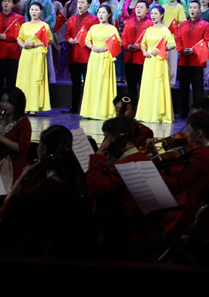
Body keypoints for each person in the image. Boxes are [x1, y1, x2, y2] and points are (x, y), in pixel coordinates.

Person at [0, 125, 81, 254]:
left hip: (33, 251)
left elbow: (6, 210)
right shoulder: (75, 181)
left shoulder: (47, 187)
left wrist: (23, 178)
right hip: (60, 250)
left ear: (44, 149)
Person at [86, 116, 152, 258]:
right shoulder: (144, 158)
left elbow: (95, 189)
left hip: (116, 234)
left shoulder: (123, 165)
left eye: (106, 138)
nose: (104, 143)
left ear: (119, 139)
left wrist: (98, 157)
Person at [158, 112, 209, 237]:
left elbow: (179, 184)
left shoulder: (200, 155)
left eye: (189, 131)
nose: (186, 135)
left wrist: (155, 175)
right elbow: (191, 172)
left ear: (199, 133)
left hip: (186, 211)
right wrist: (167, 170)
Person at [79, 5, 120, 120]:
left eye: (103, 12)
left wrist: (105, 48)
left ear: (109, 14)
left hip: (105, 57)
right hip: (94, 57)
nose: (101, 15)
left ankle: (103, 111)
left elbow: (117, 43)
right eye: (99, 12)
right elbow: (87, 40)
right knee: (93, 82)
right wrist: (92, 47)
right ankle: (90, 111)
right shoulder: (94, 27)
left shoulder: (112, 29)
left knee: (103, 83)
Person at [176, 0, 209, 118]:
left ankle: (198, 112)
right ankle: (183, 112)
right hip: (184, 60)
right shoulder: (182, 25)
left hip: (197, 61)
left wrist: (194, 51)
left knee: (198, 89)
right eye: (190, 8)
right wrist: (182, 50)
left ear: (199, 10)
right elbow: (178, 40)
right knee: (183, 89)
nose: (192, 10)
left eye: (195, 8)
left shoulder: (205, 25)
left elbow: (207, 41)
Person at [63, 0, 98, 113]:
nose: (80, 4)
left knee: (89, 83)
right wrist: (69, 40)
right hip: (73, 55)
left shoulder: (93, 19)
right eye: (78, 2)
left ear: (88, 5)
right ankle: (74, 107)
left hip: (86, 54)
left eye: (83, 2)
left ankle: (89, 108)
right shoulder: (72, 18)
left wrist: (82, 41)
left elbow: (94, 36)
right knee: (75, 83)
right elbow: (67, 33)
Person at [16, 2, 53, 114]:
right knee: (25, 79)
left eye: (36, 10)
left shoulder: (44, 26)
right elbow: (19, 38)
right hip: (26, 54)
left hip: (38, 54)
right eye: (32, 9)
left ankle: (34, 106)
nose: (34, 12)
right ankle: (25, 106)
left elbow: (49, 40)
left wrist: (35, 44)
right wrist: (23, 45)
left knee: (35, 79)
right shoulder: (24, 25)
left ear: (41, 12)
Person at [0, 87, 32, 190]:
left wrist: (2, 139)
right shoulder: (1, 119)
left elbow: (23, 149)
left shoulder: (23, 123)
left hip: (14, 165)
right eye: (2, 101)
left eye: (8, 102)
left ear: (17, 104)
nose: (4, 105)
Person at [0, 0, 24, 88]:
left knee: (12, 82)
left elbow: (20, 34)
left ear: (13, 5)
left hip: (12, 54)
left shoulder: (19, 18)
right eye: (4, 1)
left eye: (9, 1)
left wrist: (6, 36)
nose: (6, 3)